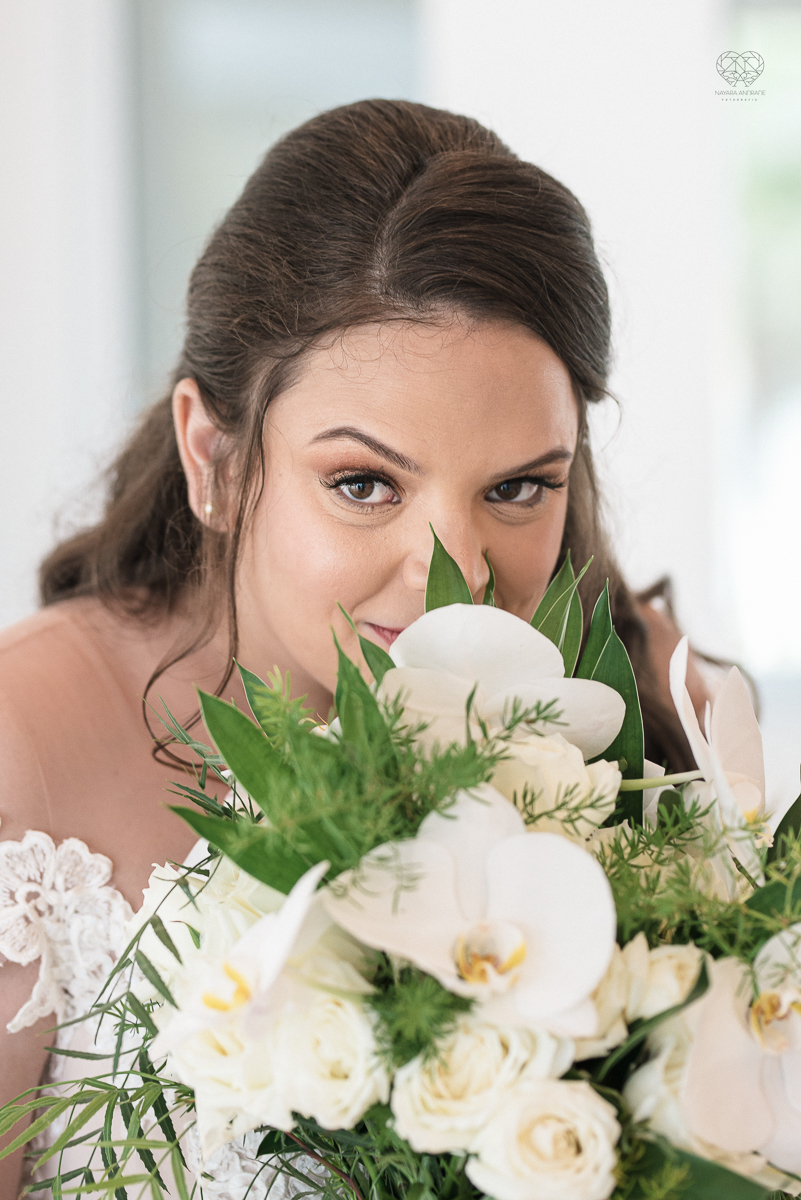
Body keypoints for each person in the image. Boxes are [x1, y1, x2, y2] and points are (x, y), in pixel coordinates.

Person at [0, 99, 711, 1198]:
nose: (459, 577)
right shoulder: (23, 744)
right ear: (216, 458)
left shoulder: (652, 717)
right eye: (363, 485)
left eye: (519, 489)